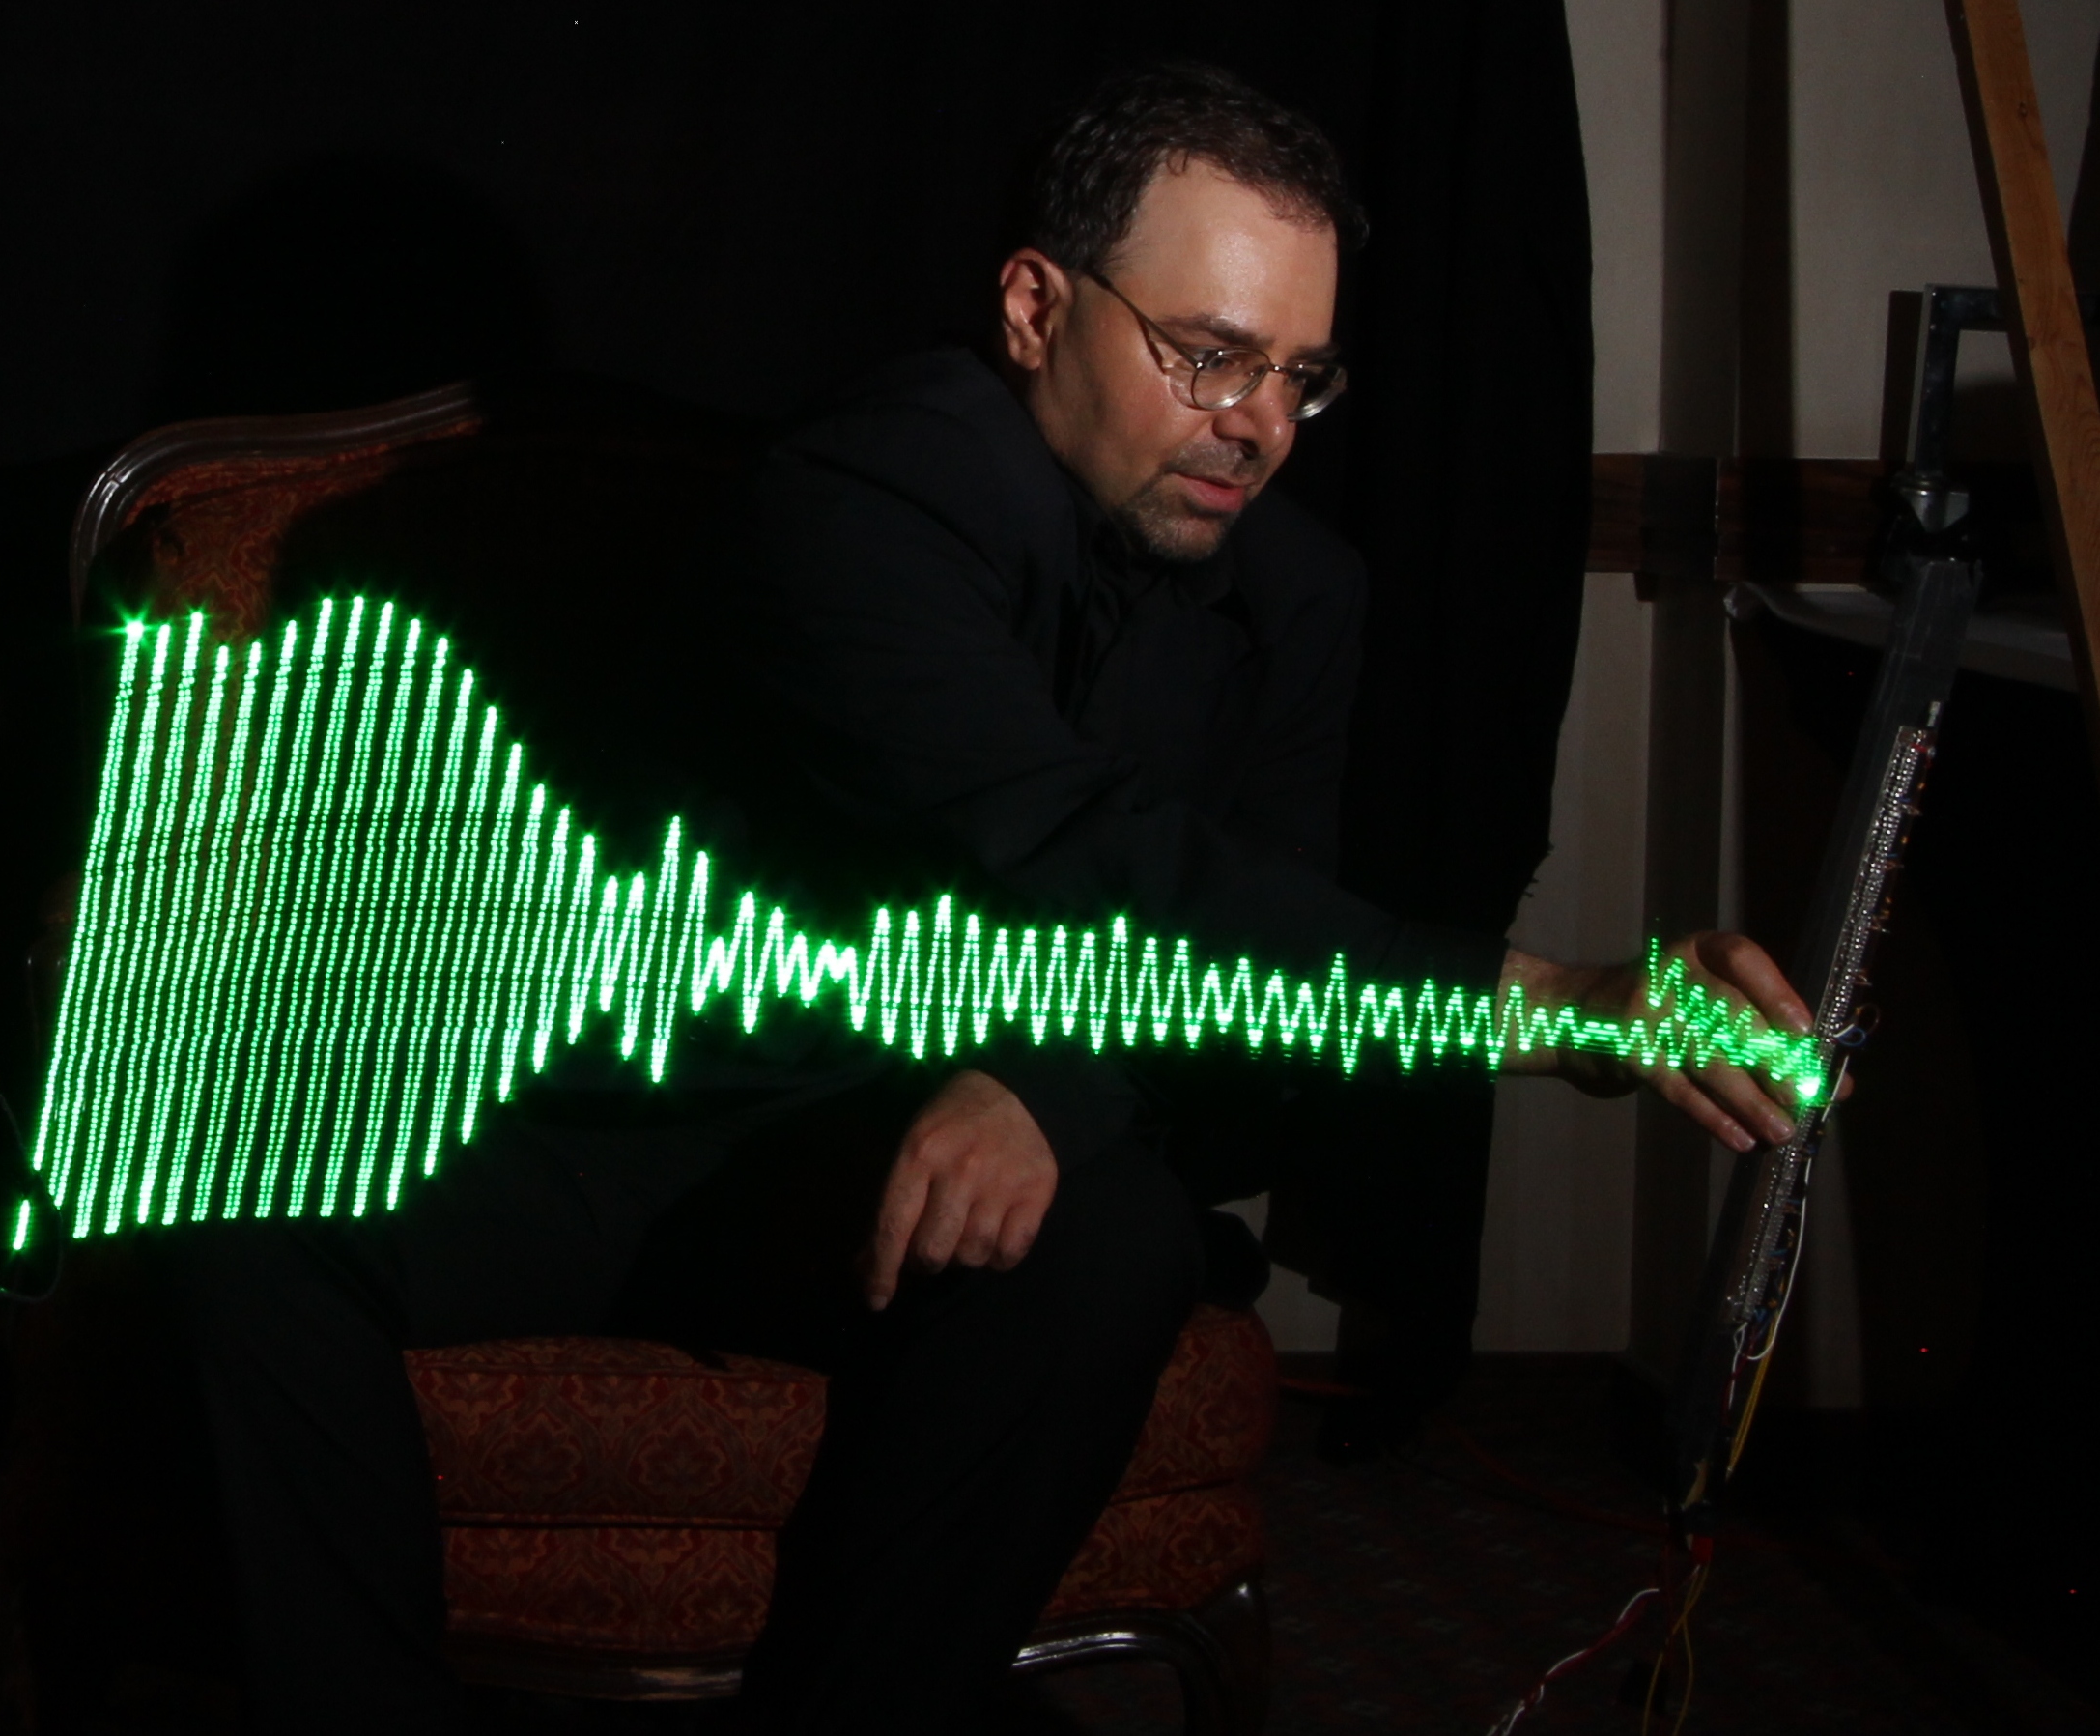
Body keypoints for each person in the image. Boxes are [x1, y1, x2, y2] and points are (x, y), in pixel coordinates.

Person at [163, 59, 1814, 1733]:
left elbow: (1261, 1004)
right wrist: (1548, 1000)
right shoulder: (866, 494)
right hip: (626, 1116)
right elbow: (1076, 840)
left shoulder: (1302, 596)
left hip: (874, 1153)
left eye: (1298, 376)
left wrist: (1044, 1088)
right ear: (1036, 309)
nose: (1256, 424)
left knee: (1112, 1241)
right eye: (1208, 353)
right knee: (229, 1220)